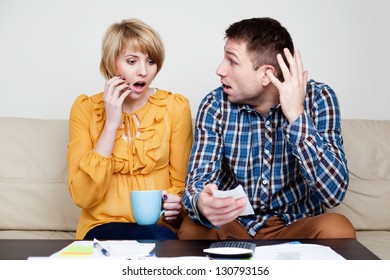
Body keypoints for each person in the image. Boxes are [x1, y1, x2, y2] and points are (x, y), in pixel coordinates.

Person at [179, 17, 356, 240]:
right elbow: (197, 182)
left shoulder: (320, 98)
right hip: (235, 225)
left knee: (337, 228)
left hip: (295, 224)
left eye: (232, 61)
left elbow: (334, 194)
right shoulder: (215, 105)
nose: (219, 70)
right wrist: (202, 202)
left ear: (266, 74)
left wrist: (296, 116)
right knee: (193, 229)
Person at [67, 18, 193, 240]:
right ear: (111, 63)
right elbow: (82, 196)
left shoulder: (175, 107)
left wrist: (175, 206)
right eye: (132, 61)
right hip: (101, 227)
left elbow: (182, 184)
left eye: (151, 61)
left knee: (158, 237)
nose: (143, 71)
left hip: (159, 229)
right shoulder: (85, 109)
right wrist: (112, 123)